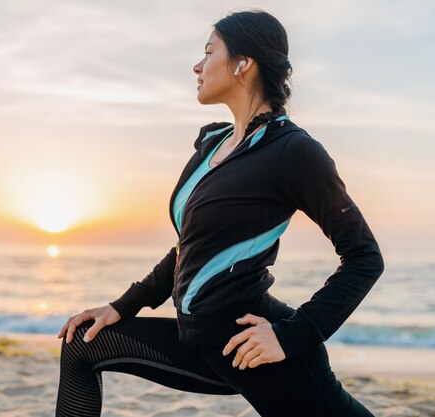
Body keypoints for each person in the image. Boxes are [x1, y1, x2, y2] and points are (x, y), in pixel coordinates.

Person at [55, 9, 384, 417]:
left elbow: (364, 257)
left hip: (254, 351)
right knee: (83, 344)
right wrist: (122, 305)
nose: (197, 65)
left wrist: (291, 335)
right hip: (198, 343)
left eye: (209, 52)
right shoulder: (212, 144)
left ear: (243, 64)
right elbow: (188, 248)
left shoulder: (292, 152)